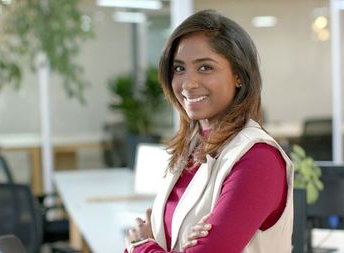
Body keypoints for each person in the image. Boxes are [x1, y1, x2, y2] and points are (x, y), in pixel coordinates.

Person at [125, 9, 294, 253]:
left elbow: (143, 244)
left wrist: (140, 245)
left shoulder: (257, 159)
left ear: (239, 75)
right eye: (179, 68)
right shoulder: (191, 149)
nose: (188, 83)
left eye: (205, 67)